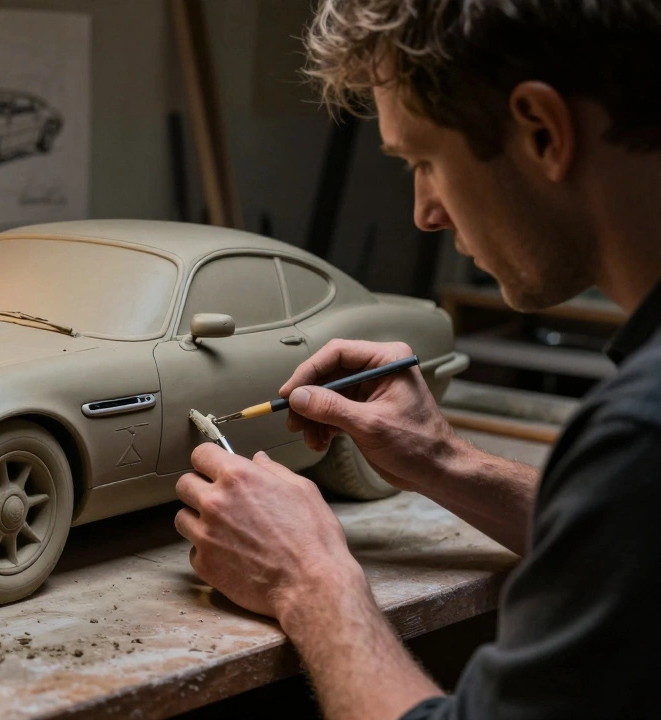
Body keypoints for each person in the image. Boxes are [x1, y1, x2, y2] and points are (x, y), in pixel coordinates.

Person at [172, 1, 661, 718]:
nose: (424, 213)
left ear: (542, 131)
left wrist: (308, 581)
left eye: (425, 161)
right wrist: (445, 461)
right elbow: (630, 540)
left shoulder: (639, 437)